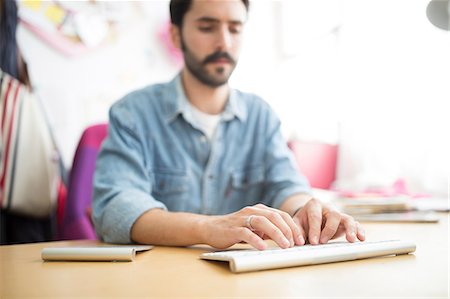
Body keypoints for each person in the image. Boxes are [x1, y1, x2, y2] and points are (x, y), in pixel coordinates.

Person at [92, 0, 365, 250]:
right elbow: (116, 208)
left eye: (235, 29)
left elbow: (285, 186)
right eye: (207, 27)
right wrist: (207, 228)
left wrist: (306, 209)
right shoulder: (133, 113)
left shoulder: (261, 115)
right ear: (176, 35)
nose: (224, 42)